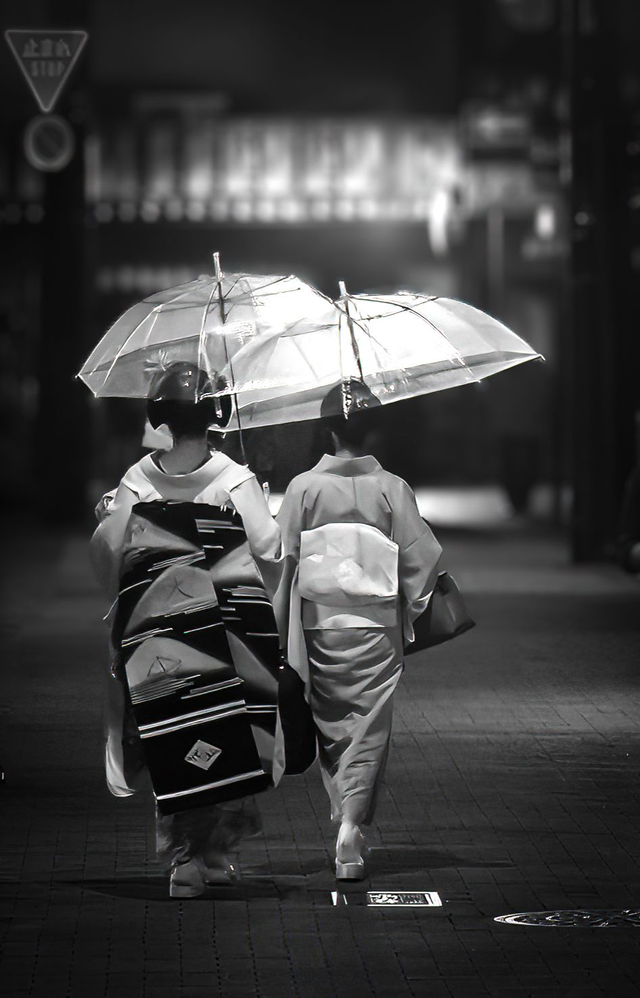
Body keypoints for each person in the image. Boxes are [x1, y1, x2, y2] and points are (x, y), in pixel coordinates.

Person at [91, 363, 282, 898]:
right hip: (225, 637)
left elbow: (112, 557)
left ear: (159, 417)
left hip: (158, 643)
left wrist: (109, 516)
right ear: (216, 414)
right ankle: (201, 858)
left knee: (170, 737)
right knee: (226, 736)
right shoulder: (234, 481)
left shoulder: (136, 481)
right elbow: (269, 553)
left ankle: (198, 856)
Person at [276, 380, 442, 880]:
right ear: (372, 432)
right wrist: (412, 606)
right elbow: (422, 560)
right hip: (375, 630)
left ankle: (345, 814)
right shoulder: (392, 488)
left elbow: (281, 565)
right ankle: (350, 826)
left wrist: (278, 627)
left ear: (327, 431)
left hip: (321, 628)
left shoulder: (304, 488)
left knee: (332, 726)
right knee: (368, 729)